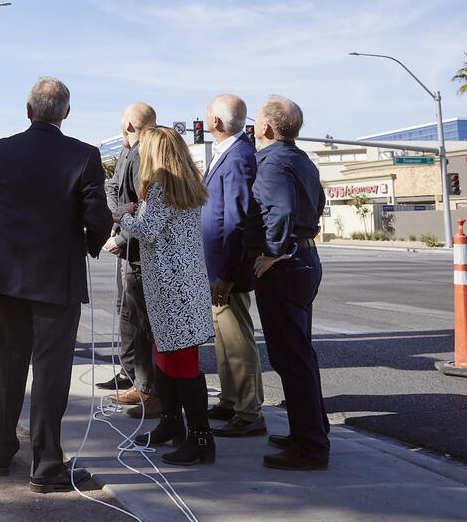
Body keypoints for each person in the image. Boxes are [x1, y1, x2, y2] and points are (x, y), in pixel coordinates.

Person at [0, 77, 112, 492]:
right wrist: (90, 244)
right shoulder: (83, 155)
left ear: (28, 109)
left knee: (10, 364)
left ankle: (2, 452)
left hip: (9, 274)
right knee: (51, 372)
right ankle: (46, 464)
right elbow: (98, 218)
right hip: (58, 278)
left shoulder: (1, 150)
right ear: (66, 114)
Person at [118, 126, 216, 466]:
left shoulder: (160, 185)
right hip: (179, 285)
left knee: (181, 363)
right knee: (167, 356)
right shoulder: (182, 183)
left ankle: (201, 439)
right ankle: (172, 423)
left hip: (173, 288)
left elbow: (148, 230)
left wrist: (124, 216)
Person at [250, 96, 329, 470]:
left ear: (265, 128)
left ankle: (311, 447)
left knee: (291, 358)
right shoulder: (301, 160)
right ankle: (309, 432)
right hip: (304, 260)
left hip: (285, 265)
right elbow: (319, 202)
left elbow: (279, 210)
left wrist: (271, 252)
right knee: (300, 354)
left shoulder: (272, 162)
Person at [201, 94, 266, 438]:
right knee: (224, 339)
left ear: (216, 122)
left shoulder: (239, 157)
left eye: (208, 113)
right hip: (216, 267)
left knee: (237, 339)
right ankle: (230, 400)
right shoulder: (227, 153)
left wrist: (226, 274)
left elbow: (237, 221)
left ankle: (249, 411)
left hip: (229, 270)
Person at [100, 104, 162, 420]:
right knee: (129, 316)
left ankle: (150, 389)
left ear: (127, 124)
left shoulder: (144, 157)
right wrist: (118, 214)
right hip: (129, 246)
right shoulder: (130, 152)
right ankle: (136, 380)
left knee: (144, 324)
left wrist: (122, 234)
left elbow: (145, 210)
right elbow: (114, 190)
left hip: (138, 251)